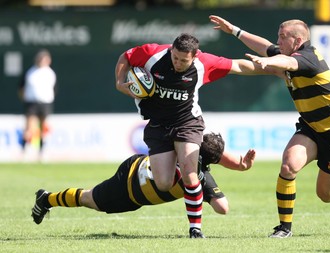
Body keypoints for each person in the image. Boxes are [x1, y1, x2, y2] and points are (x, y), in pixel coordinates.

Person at [209, 15, 330, 238]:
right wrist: (234, 30)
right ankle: (284, 228)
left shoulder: (308, 57)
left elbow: (287, 63)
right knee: (288, 167)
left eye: (283, 38)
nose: (278, 42)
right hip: (311, 128)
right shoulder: (287, 53)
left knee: (327, 195)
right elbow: (266, 47)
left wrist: (269, 62)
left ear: (297, 40)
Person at [114, 33, 265, 238]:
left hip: (188, 123)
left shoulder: (204, 63)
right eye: (175, 57)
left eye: (183, 60)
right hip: (158, 125)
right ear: (171, 50)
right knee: (164, 183)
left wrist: (272, 67)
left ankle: (195, 229)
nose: (177, 63)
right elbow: (127, 56)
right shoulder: (153, 54)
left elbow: (238, 66)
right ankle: (195, 168)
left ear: (194, 57)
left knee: (189, 173)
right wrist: (119, 82)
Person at [31, 133, 256, 230]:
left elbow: (213, 153)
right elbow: (223, 208)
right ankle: (46, 199)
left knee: (90, 199)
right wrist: (210, 186)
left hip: (137, 174)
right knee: (90, 199)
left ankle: (48, 198)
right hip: (128, 185)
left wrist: (239, 165)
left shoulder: (187, 142)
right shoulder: (199, 175)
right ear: (210, 162)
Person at [18, 49, 57, 159]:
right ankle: (25, 149)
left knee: (43, 128)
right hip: (32, 103)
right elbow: (21, 88)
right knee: (30, 128)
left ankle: (42, 151)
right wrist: (25, 99)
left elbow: (54, 89)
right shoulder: (30, 72)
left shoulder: (50, 73)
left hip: (45, 103)